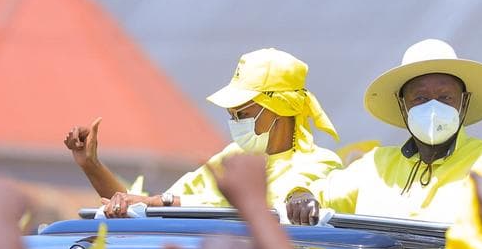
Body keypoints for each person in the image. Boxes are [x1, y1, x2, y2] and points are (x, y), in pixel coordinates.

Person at [286, 39, 482, 224]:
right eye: (420, 98)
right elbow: (314, 191)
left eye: (445, 98)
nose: (433, 107)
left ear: (463, 104)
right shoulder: (374, 166)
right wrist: (299, 194)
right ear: (403, 107)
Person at [64, 48, 343, 215]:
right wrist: (91, 165)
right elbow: (146, 210)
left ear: (282, 107)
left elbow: (256, 210)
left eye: (243, 114)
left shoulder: (319, 163)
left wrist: (161, 202)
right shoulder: (230, 157)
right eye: (231, 115)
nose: (235, 122)